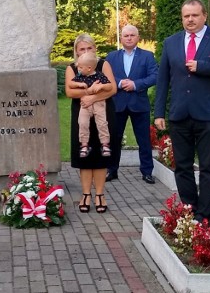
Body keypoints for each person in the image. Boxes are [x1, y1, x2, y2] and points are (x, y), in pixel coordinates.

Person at [154, 0, 210, 222]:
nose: (190, 20)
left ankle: (203, 215)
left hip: (208, 115)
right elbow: (163, 80)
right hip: (179, 115)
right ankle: (189, 210)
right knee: (182, 167)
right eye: (186, 16)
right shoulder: (171, 42)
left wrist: (203, 66)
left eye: (194, 15)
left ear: (204, 16)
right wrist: (159, 113)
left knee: (207, 168)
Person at [66, 34, 117, 214]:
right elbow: (69, 92)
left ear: (95, 48)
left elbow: (112, 88)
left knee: (101, 156)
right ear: (76, 51)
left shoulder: (104, 65)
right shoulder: (73, 68)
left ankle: (100, 194)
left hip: (103, 113)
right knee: (85, 156)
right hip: (82, 114)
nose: (86, 51)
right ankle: (86, 194)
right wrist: (88, 93)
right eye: (82, 49)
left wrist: (93, 97)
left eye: (89, 48)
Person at [105, 24, 158, 183]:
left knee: (144, 139)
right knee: (114, 138)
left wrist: (135, 84)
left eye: (132, 35)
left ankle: (147, 172)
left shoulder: (147, 56)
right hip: (117, 103)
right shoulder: (111, 56)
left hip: (139, 103)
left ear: (138, 37)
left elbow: (154, 76)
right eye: (125, 35)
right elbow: (104, 76)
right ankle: (111, 170)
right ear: (120, 38)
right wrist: (120, 83)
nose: (128, 38)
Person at [68, 51, 114, 158]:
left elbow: (110, 86)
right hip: (85, 105)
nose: (78, 69)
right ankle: (84, 145)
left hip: (99, 104)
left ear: (89, 68)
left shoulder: (99, 76)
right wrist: (79, 84)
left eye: (80, 67)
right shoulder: (80, 77)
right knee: (82, 123)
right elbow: (70, 83)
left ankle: (105, 144)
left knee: (102, 123)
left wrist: (101, 87)